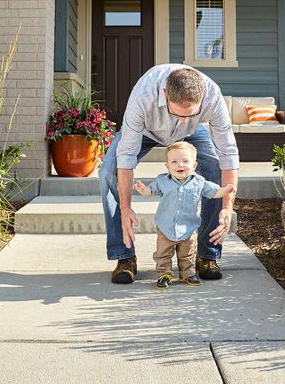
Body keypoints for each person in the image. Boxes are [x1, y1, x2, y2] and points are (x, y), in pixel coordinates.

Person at [100, 64, 240, 284]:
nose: (183, 119)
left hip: (193, 134)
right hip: (146, 130)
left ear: (201, 95)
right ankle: (124, 256)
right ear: (165, 94)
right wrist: (126, 207)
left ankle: (207, 255)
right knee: (108, 171)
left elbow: (228, 153)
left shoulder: (212, 95)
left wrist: (227, 207)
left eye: (190, 114)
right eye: (178, 113)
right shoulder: (143, 96)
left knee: (213, 167)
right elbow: (126, 156)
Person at [134, 141, 235, 289]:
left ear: (194, 165)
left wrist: (226, 190)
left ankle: (187, 273)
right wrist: (143, 190)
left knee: (187, 253)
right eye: (174, 162)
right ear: (167, 166)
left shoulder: (199, 182)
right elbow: (150, 191)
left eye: (185, 161)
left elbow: (214, 192)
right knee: (163, 253)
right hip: (165, 226)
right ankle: (164, 273)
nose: (179, 165)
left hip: (189, 226)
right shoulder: (162, 180)